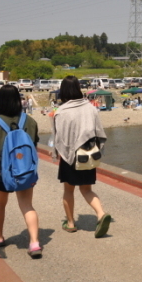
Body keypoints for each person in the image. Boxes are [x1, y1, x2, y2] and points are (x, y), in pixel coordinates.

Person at [0, 85, 42, 258]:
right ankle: (34, 243)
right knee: (27, 205)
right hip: (25, 172)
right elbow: (34, 147)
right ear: (18, 100)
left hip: (2, 174)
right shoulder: (30, 121)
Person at [52, 76, 111, 238]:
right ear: (78, 88)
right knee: (86, 189)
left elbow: (60, 139)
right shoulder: (90, 108)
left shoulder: (61, 111)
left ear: (63, 91)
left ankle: (70, 223)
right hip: (88, 154)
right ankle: (100, 214)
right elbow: (99, 133)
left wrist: (59, 153)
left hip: (69, 156)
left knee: (68, 190)